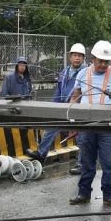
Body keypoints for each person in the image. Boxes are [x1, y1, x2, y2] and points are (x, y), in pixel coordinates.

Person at [68, 40, 111, 207]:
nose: (103, 64)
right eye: (100, 61)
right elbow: (75, 98)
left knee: (109, 162)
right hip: (87, 126)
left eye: (107, 61)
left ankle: (109, 195)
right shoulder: (82, 75)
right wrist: (72, 122)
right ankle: (83, 193)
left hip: (109, 128)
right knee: (87, 163)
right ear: (93, 58)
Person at [27, 44, 86, 174]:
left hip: (79, 108)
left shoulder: (86, 73)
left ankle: (82, 164)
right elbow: (59, 91)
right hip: (63, 106)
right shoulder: (65, 72)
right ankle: (41, 154)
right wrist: (54, 107)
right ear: (70, 57)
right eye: (75, 55)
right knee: (51, 128)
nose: (77, 58)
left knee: (81, 137)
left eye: (79, 56)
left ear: (83, 58)